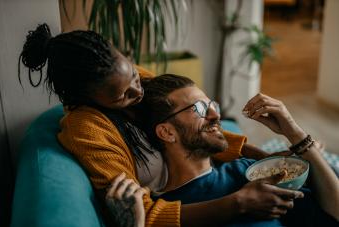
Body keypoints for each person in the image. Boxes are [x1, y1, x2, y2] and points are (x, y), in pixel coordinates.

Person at [18, 23, 320, 226]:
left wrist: (264, 157)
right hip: (188, 203)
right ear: (87, 98)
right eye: (124, 95)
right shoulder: (86, 130)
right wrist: (238, 203)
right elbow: (140, 211)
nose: (139, 93)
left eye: (135, 78)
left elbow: (192, 119)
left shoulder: (127, 76)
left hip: (210, 177)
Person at [139, 74, 339, 226]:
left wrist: (295, 133)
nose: (216, 115)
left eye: (212, 105)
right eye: (199, 108)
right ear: (166, 132)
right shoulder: (163, 213)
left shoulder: (251, 172)